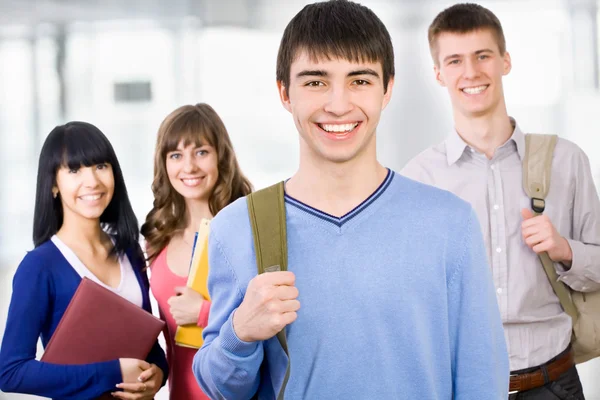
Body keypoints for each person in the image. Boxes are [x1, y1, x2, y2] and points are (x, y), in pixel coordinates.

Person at [192, 1, 509, 399]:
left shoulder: (450, 224)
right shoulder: (237, 229)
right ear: (284, 93)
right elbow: (223, 389)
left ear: (387, 89)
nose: (339, 104)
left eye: (359, 81)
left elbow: (483, 382)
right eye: (315, 82)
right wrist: (240, 333)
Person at [401, 3, 600, 399]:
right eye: (455, 60)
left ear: (505, 61)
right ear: (439, 74)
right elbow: (410, 299)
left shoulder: (566, 160)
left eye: (482, 56)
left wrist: (564, 250)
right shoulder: (419, 179)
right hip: (464, 386)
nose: (471, 72)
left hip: (554, 384)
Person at [0, 122, 168, 399]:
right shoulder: (40, 267)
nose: (92, 181)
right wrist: (113, 373)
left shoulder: (129, 251)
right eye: (75, 170)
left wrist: (159, 373)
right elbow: (11, 372)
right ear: (54, 184)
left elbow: (147, 344)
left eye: (101, 166)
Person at [141, 103, 252, 399]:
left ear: (220, 156)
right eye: (176, 155)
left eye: (201, 152)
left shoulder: (247, 230)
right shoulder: (156, 239)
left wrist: (203, 312)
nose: (188, 167)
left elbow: (276, 323)